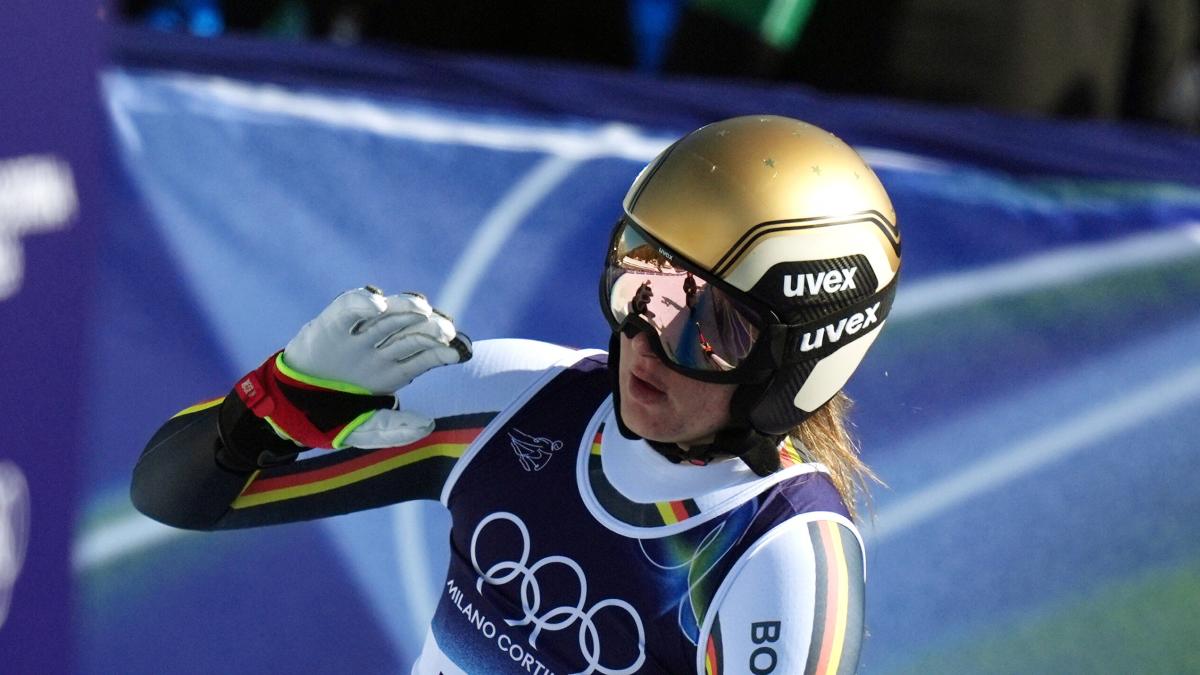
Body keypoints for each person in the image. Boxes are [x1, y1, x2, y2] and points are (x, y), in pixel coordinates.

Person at [131, 115, 901, 674]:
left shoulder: (780, 554)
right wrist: (273, 401)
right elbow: (173, 494)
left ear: (799, 363)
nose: (646, 335)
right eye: (643, 280)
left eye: (712, 325)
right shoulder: (518, 402)